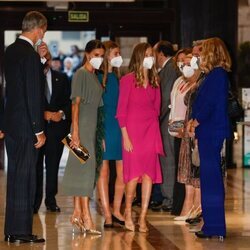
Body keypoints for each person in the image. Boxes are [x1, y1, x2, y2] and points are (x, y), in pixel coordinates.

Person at [3, 11, 47, 244]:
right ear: (39, 29)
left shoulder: (11, 50)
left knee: (15, 179)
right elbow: (33, 94)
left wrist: (40, 61)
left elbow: (9, 89)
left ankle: (12, 230)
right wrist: (38, 129)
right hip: (26, 127)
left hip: (12, 125)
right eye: (44, 31)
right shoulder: (28, 54)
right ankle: (21, 232)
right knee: (26, 178)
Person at [116, 42, 164, 232]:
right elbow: (121, 112)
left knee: (148, 176)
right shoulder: (127, 80)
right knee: (133, 176)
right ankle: (127, 211)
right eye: (147, 55)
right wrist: (125, 137)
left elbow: (157, 110)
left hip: (150, 131)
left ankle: (143, 217)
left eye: (152, 54)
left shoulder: (155, 81)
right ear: (138, 57)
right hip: (132, 133)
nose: (150, 58)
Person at [188, 37, 231, 239]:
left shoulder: (217, 75)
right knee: (209, 179)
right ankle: (212, 225)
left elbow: (210, 104)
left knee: (211, 179)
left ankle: (214, 226)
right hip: (209, 131)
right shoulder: (213, 74)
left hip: (211, 131)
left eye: (203, 51)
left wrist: (196, 121)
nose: (200, 55)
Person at [61, 39, 105, 235]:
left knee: (84, 173)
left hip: (91, 129)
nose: (100, 59)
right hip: (80, 130)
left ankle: (78, 214)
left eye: (102, 56)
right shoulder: (80, 74)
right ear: (87, 54)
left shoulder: (94, 76)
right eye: (96, 55)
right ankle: (86, 217)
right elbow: (75, 105)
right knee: (85, 173)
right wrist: (75, 133)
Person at [34, 52, 71, 214]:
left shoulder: (61, 77)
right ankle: (35, 202)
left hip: (57, 131)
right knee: (35, 167)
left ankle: (51, 200)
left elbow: (69, 102)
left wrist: (61, 113)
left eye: (47, 58)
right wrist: (45, 114)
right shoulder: (32, 78)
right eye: (42, 58)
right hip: (37, 131)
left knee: (53, 167)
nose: (45, 61)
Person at [170, 53, 203, 222]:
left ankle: (195, 207)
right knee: (186, 169)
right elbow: (175, 108)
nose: (186, 66)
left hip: (193, 130)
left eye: (189, 63)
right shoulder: (182, 82)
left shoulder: (200, 83)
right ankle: (188, 205)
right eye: (183, 63)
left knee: (194, 169)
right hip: (182, 130)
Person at [97, 40, 125, 228]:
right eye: (116, 53)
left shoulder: (117, 77)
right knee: (104, 172)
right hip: (105, 127)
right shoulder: (97, 78)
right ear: (107, 55)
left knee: (123, 172)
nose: (118, 57)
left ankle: (116, 209)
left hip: (120, 127)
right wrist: (99, 134)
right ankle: (107, 213)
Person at [151, 41, 181, 213]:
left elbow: (164, 99)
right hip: (169, 120)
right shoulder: (169, 68)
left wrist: (154, 117)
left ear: (161, 54)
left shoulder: (169, 69)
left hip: (168, 122)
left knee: (168, 159)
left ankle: (169, 198)